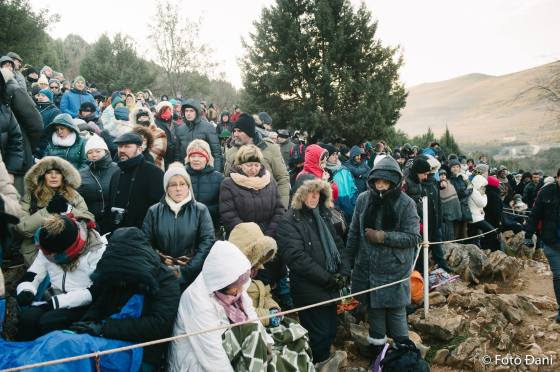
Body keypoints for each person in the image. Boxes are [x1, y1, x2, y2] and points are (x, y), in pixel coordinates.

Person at [342, 156, 420, 360]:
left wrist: (383, 237)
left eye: (385, 183)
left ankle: (404, 357)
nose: (381, 187)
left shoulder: (406, 204)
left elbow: (413, 237)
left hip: (394, 269)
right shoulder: (363, 199)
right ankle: (380, 356)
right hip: (367, 268)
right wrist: (346, 263)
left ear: (394, 182)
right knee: (374, 310)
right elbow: (353, 234)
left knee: (396, 312)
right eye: (377, 182)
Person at [70, 227, 181, 370]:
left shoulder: (166, 280)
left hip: (143, 350)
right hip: (108, 338)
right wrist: (86, 324)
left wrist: (104, 328)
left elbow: (158, 324)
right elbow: (101, 303)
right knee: (68, 346)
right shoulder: (119, 271)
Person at [168, 240, 273, 371]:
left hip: (227, 345)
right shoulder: (197, 301)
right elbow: (212, 356)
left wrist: (266, 341)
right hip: (196, 362)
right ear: (222, 283)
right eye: (235, 288)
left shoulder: (235, 282)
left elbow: (251, 315)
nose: (239, 291)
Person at [276, 179, 347, 369]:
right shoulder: (288, 221)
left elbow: (339, 245)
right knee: (319, 334)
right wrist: (327, 278)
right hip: (309, 289)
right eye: (310, 193)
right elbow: (297, 258)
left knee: (331, 329)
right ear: (300, 194)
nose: (314, 197)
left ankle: (322, 362)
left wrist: (344, 271)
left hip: (330, 286)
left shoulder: (323, 216)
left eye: (318, 193)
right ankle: (315, 364)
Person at [16, 214, 105, 340]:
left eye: (53, 255)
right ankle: (24, 355)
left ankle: (50, 356)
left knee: (49, 322)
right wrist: (26, 289)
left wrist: (57, 303)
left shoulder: (97, 251)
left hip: (81, 303)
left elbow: (94, 291)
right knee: (27, 319)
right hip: (53, 296)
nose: (48, 256)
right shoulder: (49, 246)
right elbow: (33, 274)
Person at [143, 163, 214, 287]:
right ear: (166, 188)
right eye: (173, 185)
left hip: (193, 276)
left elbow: (207, 242)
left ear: (188, 186)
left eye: (182, 184)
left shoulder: (200, 210)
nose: (178, 188)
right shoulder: (154, 211)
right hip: (161, 274)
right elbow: (145, 242)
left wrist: (188, 269)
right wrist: (161, 263)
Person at [15, 157, 94, 266]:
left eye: (58, 173)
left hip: (71, 250)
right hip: (37, 252)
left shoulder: (74, 195)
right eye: (49, 173)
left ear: (64, 176)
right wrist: (47, 211)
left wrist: (69, 209)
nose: (53, 176)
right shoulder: (31, 196)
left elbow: (89, 219)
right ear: (42, 176)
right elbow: (22, 228)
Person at [224, 114, 291, 208]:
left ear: (249, 132)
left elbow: (283, 179)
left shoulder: (270, 149)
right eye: (234, 131)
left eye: (239, 131)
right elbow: (226, 181)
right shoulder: (231, 152)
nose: (235, 134)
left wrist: (282, 208)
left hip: (267, 209)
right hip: (240, 211)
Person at [220, 144, 285, 237]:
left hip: (269, 236)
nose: (253, 169)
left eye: (257, 165)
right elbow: (228, 214)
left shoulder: (270, 181)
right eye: (249, 165)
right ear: (240, 165)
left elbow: (279, 210)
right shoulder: (228, 184)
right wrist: (251, 235)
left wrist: (269, 233)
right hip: (242, 237)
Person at [107, 132, 164, 232]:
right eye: (120, 147)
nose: (122, 150)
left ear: (139, 149)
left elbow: (159, 209)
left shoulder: (154, 173)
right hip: (116, 234)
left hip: (143, 234)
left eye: (127, 147)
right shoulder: (116, 173)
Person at [525, 168, 560, 324]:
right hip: (551, 241)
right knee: (559, 276)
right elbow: (534, 214)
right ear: (557, 177)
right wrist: (528, 236)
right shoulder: (546, 192)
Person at [78, 134, 119, 234]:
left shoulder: (118, 169)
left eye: (98, 151)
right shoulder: (81, 174)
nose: (94, 155)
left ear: (106, 151)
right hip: (91, 222)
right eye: (90, 152)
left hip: (114, 220)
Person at [174, 99, 223, 172]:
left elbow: (216, 153)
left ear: (197, 112)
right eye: (186, 111)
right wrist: (178, 171)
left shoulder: (208, 127)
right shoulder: (180, 129)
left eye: (191, 111)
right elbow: (177, 154)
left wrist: (216, 173)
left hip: (205, 172)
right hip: (186, 172)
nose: (188, 113)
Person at [185, 139, 224, 227]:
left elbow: (222, 206)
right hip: (185, 225)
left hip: (211, 225)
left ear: (207, 158)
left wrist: (202, 211)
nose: (196, 159)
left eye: (200, 156)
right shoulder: (181, 175)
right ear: (188, 158)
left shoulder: (219, 178)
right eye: (193, 156)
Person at [323, 143, 358, 222]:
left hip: (350, 208)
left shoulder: (344, 169)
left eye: (336, 154)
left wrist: (353, 202)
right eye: (333, 154)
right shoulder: (326, 173)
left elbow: (353, 188)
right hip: (336, 211)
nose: (336, 156)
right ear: (326, 157)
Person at [468, 175, 496, 250]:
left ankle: (480, 249)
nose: (484, 187)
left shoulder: (475, 190)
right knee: (492, 231)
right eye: (483, 185)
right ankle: (486, 248)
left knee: (474, 237)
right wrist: (484, 195)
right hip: (475, 218)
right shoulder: (474, 191)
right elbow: (483, 204)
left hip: (476, 217)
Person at [448, 159, 472, 239]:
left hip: (464, 206)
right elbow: (456, 193)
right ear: (450, 168)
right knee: (455, 230)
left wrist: (465, 192)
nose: (455, 168)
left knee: (464, 230)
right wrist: (465, 193)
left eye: (457, 167)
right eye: (453, 167)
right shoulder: (450, 179)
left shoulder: (463, 178)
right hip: (455, 207)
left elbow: (471, 187)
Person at [154, 101, 180, 168]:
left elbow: (178, 141)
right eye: (164, 110)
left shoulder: (175, 124)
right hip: (161, 158)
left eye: (169, 110)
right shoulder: (155, 124)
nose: (167, 112)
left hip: (174, 157)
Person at [439, 169, 462, 241]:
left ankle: (451, 241)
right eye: (441, 175)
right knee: (449, 228)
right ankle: (450, 242)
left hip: (453, 208)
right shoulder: (442, 183)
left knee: (452, 228)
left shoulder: (448, 182)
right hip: (448, 209)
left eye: (444, 174)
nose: (443, 176)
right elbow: (443, 185)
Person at [483, 176, 503, 251]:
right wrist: (499, 227)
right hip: (493, 222)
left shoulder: (485, 192)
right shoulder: (495, 195)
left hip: (486, 218)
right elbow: (497, 212)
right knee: (493, 241)